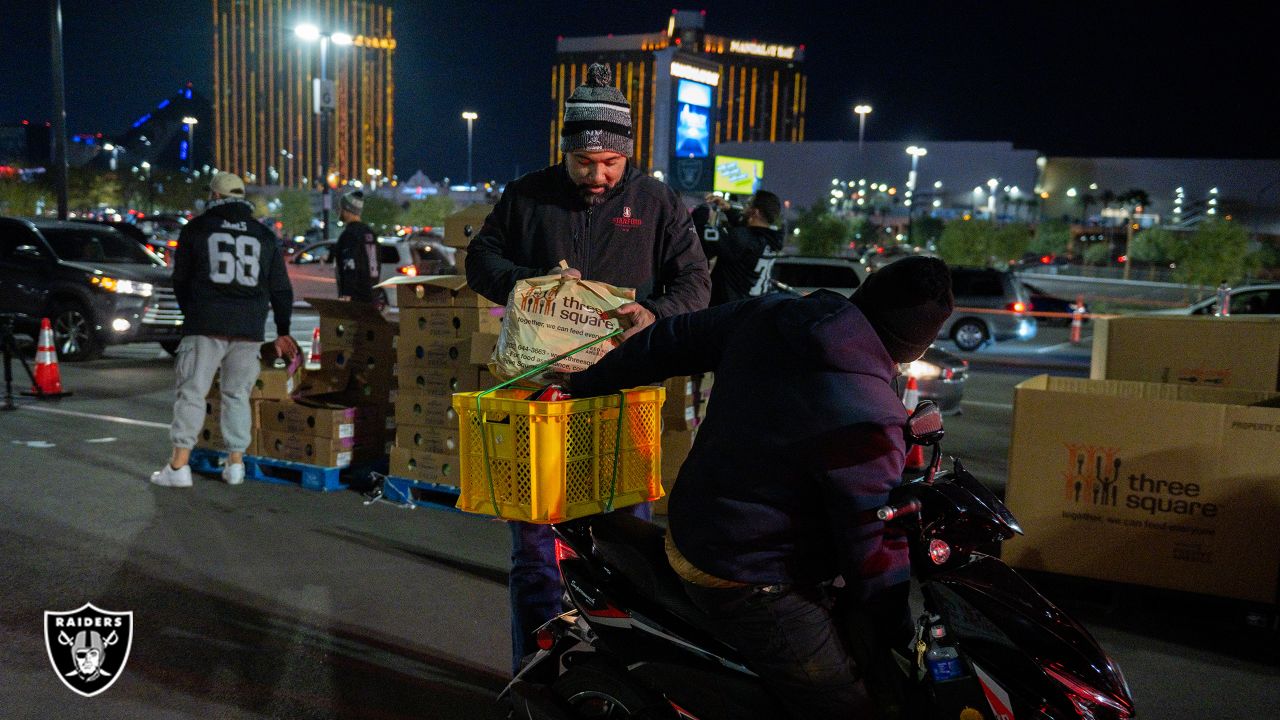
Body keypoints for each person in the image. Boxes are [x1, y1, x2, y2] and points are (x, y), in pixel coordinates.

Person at [563, 256, 955, 718]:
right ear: (915, 348)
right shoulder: (869, 413)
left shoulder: (774, 312)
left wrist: (584, 381)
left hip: (694, 527)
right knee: (847, 705)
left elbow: (671, 341)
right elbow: (870, 543)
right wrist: (899, 630)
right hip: (748, 575)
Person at [465, 62, 710, 674]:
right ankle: (536, 669)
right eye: (584, 163)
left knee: (627, 543)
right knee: (534, 550)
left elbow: (696, 283)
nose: (598, 176)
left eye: (610, 165)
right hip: (539, 397)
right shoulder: (527, 194)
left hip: (623, 400)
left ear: (627, 155)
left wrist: (653, 312)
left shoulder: (656, 200)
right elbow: (480, 258)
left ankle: (627, 671)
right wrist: (526, 282)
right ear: (566, 151)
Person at [151, 172, 300, 488]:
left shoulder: (197, 228)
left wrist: (192, 312)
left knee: (192, 392)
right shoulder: (264, 235)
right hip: (249, 327)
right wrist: (283, 328)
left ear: (215, 196)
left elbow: (181, 279)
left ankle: (179, 466)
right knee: (237, 395)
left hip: (207, 322)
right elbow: (281, 288)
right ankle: (235, 464)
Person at [701, 191, 785, 305]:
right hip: (754, 307)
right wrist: (729, 209)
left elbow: (706, 243)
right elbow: (748, 230)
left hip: (730, 311)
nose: (744, 208)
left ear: (755, 212)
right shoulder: (773, 238)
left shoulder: (741, 238)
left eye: (748, 205)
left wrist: (707, 217)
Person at [335, 190, 386, 309]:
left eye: (341, 208)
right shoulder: (370, 234)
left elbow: (350, 265)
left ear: (348, 210)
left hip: (356, 299)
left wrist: (347, 294)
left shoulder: (349, 235)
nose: (340, 211)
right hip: (372, 296)